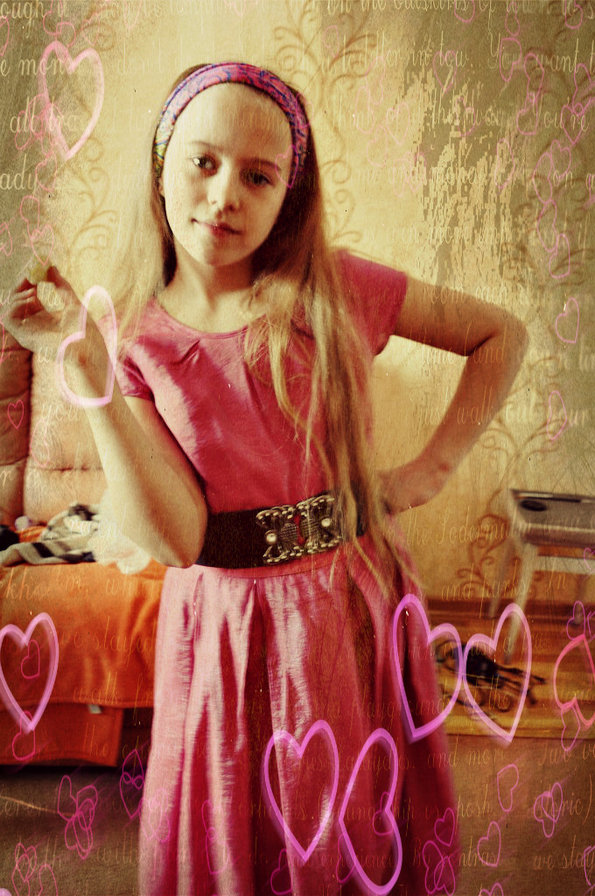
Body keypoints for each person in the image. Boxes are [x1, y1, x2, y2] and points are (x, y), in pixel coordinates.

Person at [6, 62, 527, 895]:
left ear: (290, 193)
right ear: (161, 163)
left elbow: (499, 334)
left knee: (344, 811)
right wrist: (89, 372)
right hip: (223, 625)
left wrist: (431, 470)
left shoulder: (339, 289)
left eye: (258, 176)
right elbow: (175, 537)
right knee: (233, 824)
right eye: (203, 162)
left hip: (349, 599)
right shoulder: (134, 335)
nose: (224, 196)